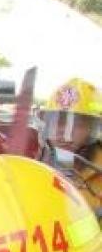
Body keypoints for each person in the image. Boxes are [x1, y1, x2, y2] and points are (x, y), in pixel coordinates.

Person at [41, 77, 102, 212]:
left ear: (93, 129)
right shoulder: (35, 162)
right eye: (57, 122)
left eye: (77, 124)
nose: (62, 132)